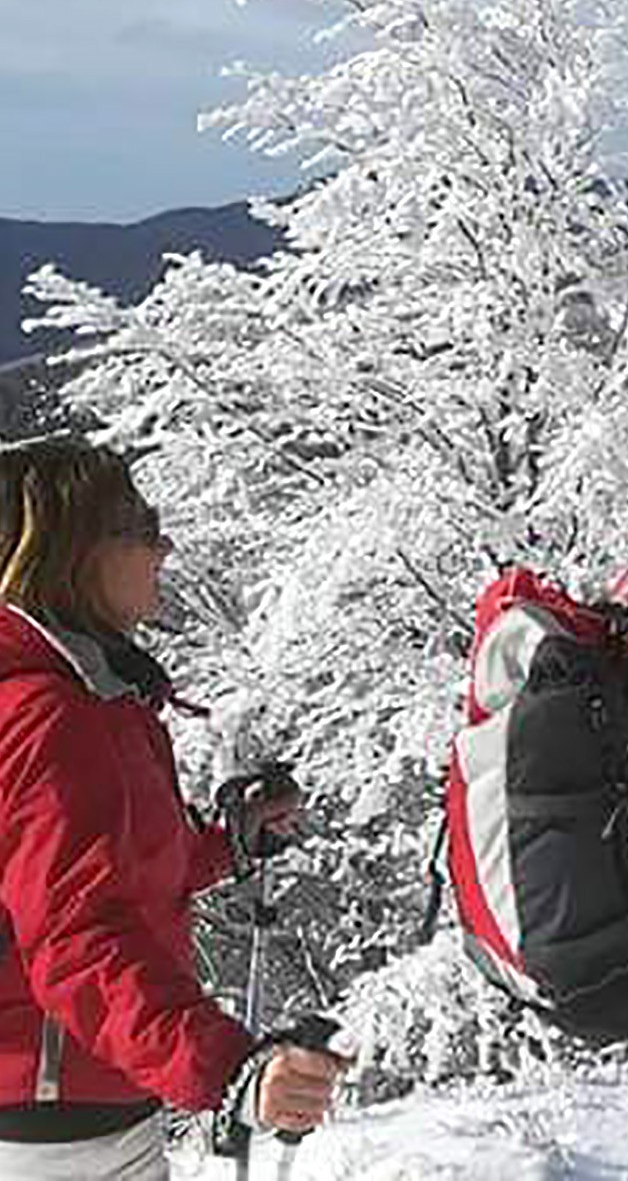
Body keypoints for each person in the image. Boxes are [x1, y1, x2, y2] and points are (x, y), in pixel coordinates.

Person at [0, 437, 344, 1181]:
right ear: (77, 549)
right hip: (49, 1125)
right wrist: (231, 1070)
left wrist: (233, 840)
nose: (165, 544)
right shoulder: (47, 712)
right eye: (141, 525)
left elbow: (118, 873)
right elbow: (74, 934)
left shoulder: (101, 699)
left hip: (91, 1104)